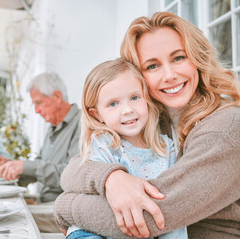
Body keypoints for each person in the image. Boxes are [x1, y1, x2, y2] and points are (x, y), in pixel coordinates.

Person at [54, 12, 240, 239]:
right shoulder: (151, 124)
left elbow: (151, 217)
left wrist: (66, 205)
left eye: (179, 58)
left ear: (198, 59)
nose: (170, 75)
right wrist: (112, 178)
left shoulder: (229, 128)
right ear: (138, 78)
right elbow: (75, 168)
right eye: (152, 66)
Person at [65, 58, 187, 239]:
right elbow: (99, 203)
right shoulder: (104, 145)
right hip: (91, 231)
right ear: (97, 114)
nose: (128, 110)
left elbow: (172, 207)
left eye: (135, 98)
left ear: (147, 98)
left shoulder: (166, 148)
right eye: (113, 104)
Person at [0, 72, 81, 232]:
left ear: (57, 96)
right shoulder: (53, 127)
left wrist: (26, 166)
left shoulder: (81, 124)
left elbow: (73, 176)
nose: (37, 110)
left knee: (2, 219)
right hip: (44, 203)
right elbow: (39, 166)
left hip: (64, 210)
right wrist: (12, 166)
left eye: (39, 103)